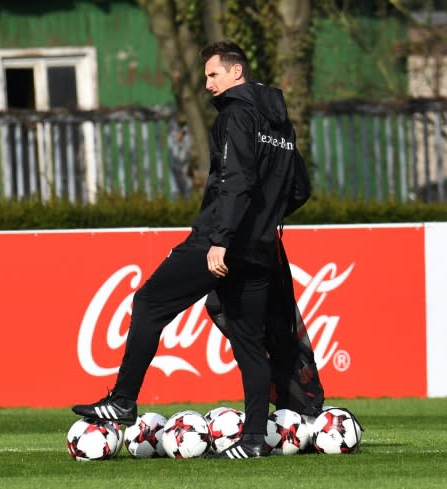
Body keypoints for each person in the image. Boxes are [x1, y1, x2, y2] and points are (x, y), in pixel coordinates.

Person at [72, 40, 311, 459]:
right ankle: (254, 440)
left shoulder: (236, 115)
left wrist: (220, 239)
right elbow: (300, 189)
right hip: (260, 247)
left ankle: (123, 400)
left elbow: (235, 180)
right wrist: (265, 217)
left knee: (148, 303)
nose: (207, 84)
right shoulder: (281, 125)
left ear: (236, 73)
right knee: (250, 344)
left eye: (213, 74)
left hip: (219, 241)